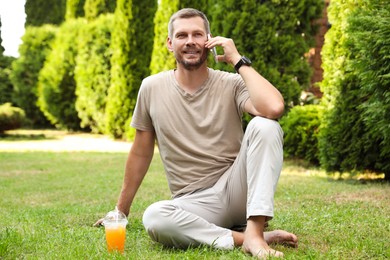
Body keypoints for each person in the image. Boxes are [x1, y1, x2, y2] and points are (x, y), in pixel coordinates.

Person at [95, 8, 298, 258]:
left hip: (237, 190)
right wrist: (120, 212)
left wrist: (237, 60)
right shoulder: (151, 87)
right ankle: (247, 238)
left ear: (209, 40)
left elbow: (274, 107)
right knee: (155, 216)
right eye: (182, 35)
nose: (190, 41)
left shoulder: (231, 83)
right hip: (194, 203)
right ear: (170, 43)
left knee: (266, 125)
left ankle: (254, 230)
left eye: (197, 34)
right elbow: (140, 152)